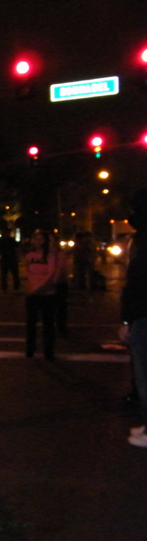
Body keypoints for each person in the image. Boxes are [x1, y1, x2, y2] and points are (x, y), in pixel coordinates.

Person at [120, 189, 147, 448]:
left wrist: (127, 320)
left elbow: (136, 284)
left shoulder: (141, 242)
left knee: (144, 374)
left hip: (142, 314)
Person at [24, 229, 58, 361]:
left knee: (48, 325)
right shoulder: (29, 256)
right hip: (32, 294)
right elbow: (28, 272)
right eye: (36, 239)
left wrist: (38, 287)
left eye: (41, 239)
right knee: (30, 323)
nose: (38, 242)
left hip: (48, 294)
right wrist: (31, 287)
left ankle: (48, 352)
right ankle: (30, 349)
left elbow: (51, 274)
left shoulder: (50, 255)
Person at [50, 232, 69, 336]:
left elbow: (61, 268)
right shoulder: (46, 253)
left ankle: (61, 327)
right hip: (48, 282)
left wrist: (54, 279)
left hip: (59, 282)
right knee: (50, 307)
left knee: (61, 306)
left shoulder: (60, 254)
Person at [0, 227, 20, 292]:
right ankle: (12, 286)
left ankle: (7, 287)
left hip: (8, 258)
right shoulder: (10, 240)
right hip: (8, 258)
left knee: (7, 274)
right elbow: (17, 248)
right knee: (8, 274)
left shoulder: (5, 240)